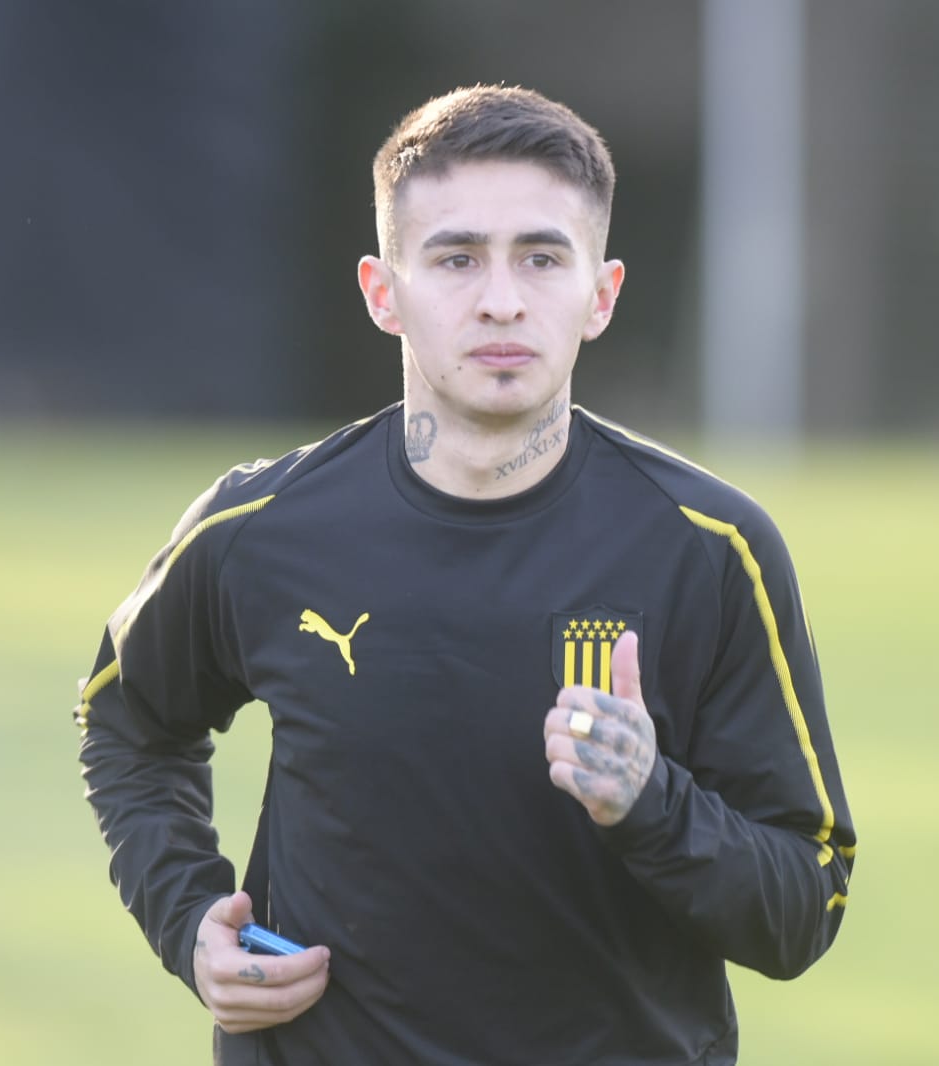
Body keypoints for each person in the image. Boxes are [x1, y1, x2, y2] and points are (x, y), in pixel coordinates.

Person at [75, 84, 856, 1065]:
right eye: (455, 258)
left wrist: (653, 802)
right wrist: (189, 917)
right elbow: (127, 722)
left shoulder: (710, 547)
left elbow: (804, 905)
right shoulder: (260, 530)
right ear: (382, 291)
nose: (501, 298)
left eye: (541, 256)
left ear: (601, 293)